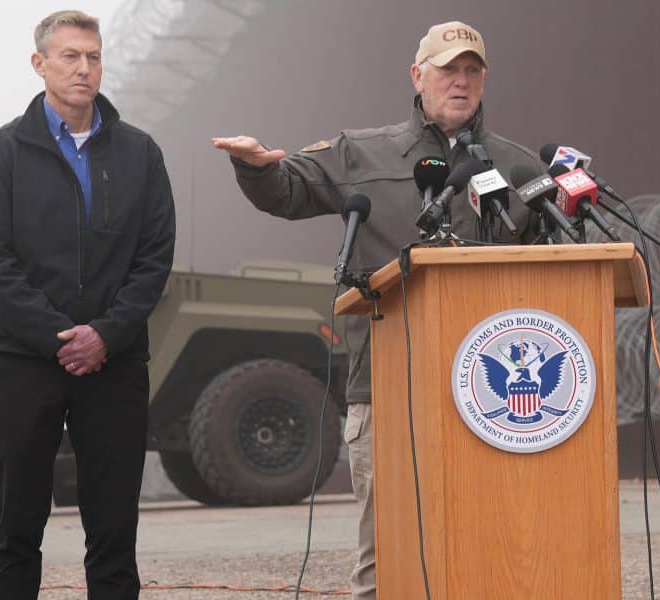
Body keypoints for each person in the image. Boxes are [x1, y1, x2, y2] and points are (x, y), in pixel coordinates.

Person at [213, 21, 543, 599]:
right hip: (388, 384)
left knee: (490, 543)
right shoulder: (360, 153)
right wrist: (257, 168)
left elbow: (557, 262)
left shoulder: (516, 168)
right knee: (387, 558)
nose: (459, 83)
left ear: (484, 81)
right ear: (418, 77)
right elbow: (287, 191)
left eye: (471, 71)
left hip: (494, 394)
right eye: (447, 71)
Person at [0, 10, 175, 599]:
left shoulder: (140, 153)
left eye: (94, 57)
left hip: (116, 364)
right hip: (25, 363)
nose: (85, 69)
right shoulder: (1, 153)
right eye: (70, 57)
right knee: (15, 530)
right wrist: (62, 337)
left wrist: (105, 335)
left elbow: (154, 260)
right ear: (39, 65)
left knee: (113, 535)